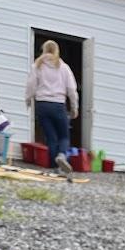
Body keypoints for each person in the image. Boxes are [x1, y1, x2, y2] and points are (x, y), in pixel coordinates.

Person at [25, 40, 79, 177]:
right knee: (64, 136)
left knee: (51, 138)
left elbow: (31, 84)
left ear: (43, 50)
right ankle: (61, 156)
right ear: (56, 50)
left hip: (42, 105)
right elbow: (72, 89)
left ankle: (55, 167)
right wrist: (74, 107)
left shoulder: (37, 66)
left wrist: (28, 100)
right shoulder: (63, 67)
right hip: (58, 105)